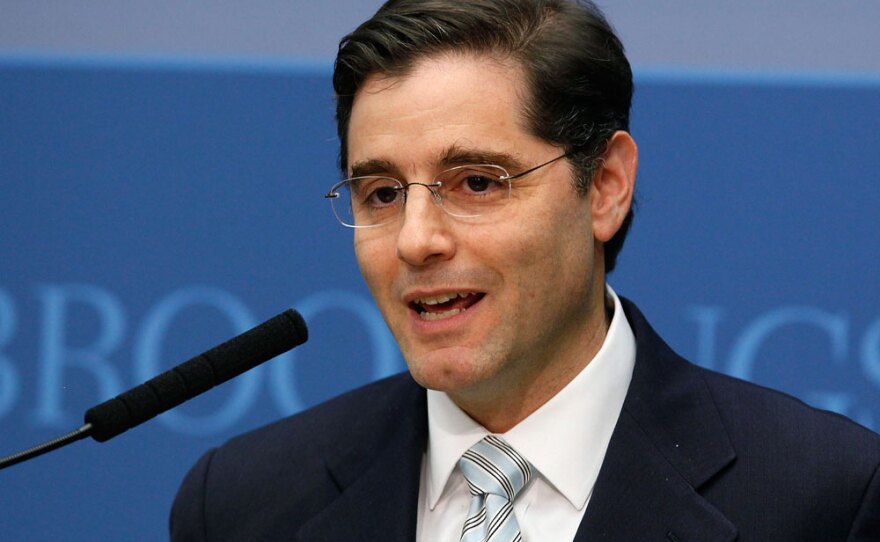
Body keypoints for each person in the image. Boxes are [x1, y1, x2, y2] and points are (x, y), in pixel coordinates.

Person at [170, 1, 880, 540]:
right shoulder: (242, 505)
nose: (416, 241)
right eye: (382, 194)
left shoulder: (824, 498)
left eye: (476, 182)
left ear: (604, 186)